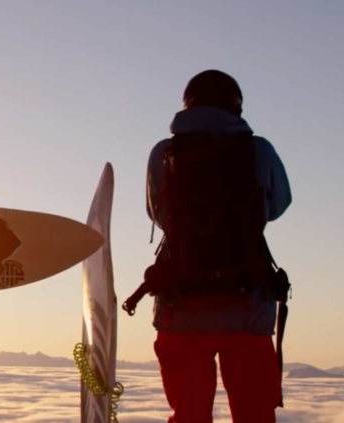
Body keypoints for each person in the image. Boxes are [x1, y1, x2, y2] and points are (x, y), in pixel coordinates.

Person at [124, 70, 292, 423]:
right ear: (237, 106)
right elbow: (278, 205)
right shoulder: (258, 149)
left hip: (180, 310)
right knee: (255, 416)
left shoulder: (165, 152)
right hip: (249, 310)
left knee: (189, 415)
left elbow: (158, 213)